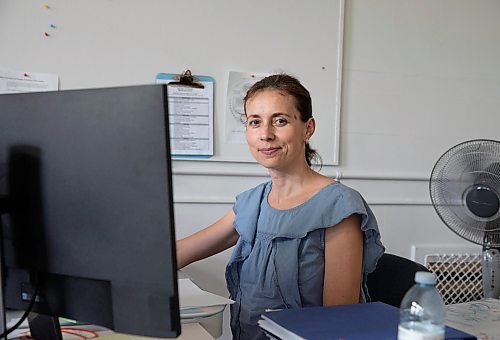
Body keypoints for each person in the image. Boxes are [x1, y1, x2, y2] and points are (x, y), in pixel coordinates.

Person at [176, 74, 384, 340]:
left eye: (280, 121)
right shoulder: (252, 203)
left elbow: (337, 321)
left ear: (308, 128)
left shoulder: (339, 206)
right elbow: (182, 251)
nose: (266, 134)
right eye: (255, 122)